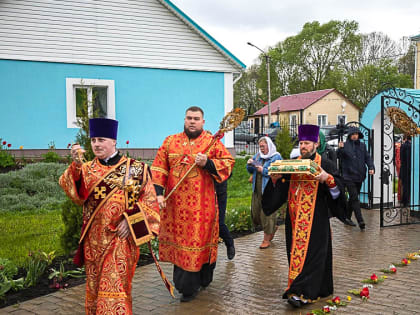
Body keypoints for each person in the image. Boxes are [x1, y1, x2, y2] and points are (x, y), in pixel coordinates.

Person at [59, 118, 160, 314]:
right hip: (94, 243)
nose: (96, 144)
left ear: (114, 141)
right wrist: (75, 166)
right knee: (95, 290)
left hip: (120, 241)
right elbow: (75, 195)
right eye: (93, 140)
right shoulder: (87, 169)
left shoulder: (136, 169)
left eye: (101, 139)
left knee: (115, 291)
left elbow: (150, 204)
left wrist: (131, 221)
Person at [151, 106, 235, 302]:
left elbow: (228, 163)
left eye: (196, 118)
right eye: (189, 118)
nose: (192, 121)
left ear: (203, 122)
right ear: (184, 119)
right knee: (181, 247)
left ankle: (199, 281)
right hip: (176, 208)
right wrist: (159, 194)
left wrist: (208, 163)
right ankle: (185, 286)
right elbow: (158, 167)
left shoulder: (211, 143)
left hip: (202, 207)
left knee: (200, 243)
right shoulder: (170, 141)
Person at [261, 124, 346, 308]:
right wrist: (275, 180)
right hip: (293, 222)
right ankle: (301, 288)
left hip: (316, 222)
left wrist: (327, 179)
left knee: (313, 257)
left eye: (307, 143)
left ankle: (303, 293)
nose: (303, 146)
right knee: (295, 256)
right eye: (301, 143)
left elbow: (339, 189)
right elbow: (280, 190)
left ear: (316, 143)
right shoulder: (292, 164)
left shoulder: (326, 164)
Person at [246, 136, 282, 249]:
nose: (261, 149)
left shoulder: (276, 156)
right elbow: (250, 170)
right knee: (256, 214)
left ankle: (266, 240)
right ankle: (272, 228)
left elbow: (278, 172)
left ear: (269, 145)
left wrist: (263, 170)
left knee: (267, 215)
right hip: (257, 189)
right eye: (260, 146)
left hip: (270, 189)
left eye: (263, 146)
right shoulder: (257, 156)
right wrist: (249, 165)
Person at [338, 127, 375, 230]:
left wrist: (371, 167)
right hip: (348, 176)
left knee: (353, 198)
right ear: (349, 135)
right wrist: (340, 148)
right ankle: (360, 221)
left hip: (359, 176)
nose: (354, 135)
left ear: (359, 135)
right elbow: (338, 157)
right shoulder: (345, 145)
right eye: (352, 134)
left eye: (356, 134)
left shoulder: (363, 146)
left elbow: (367, 157)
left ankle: (347, 217)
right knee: (355, 198)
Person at [215, 178, 235, 260]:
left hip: (219, 192)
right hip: (201, 193)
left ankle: (229, 243)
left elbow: (227, 172)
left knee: (219, 223)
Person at [400, 135, 412, 207]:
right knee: (408, 185)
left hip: (403, 168)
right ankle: (406, 201)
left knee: (404, 185)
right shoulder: (409, 146)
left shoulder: (403, 145)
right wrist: (409, 168)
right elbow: (408, 158)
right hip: (407, 168)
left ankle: (403, 200)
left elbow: (401, 158)